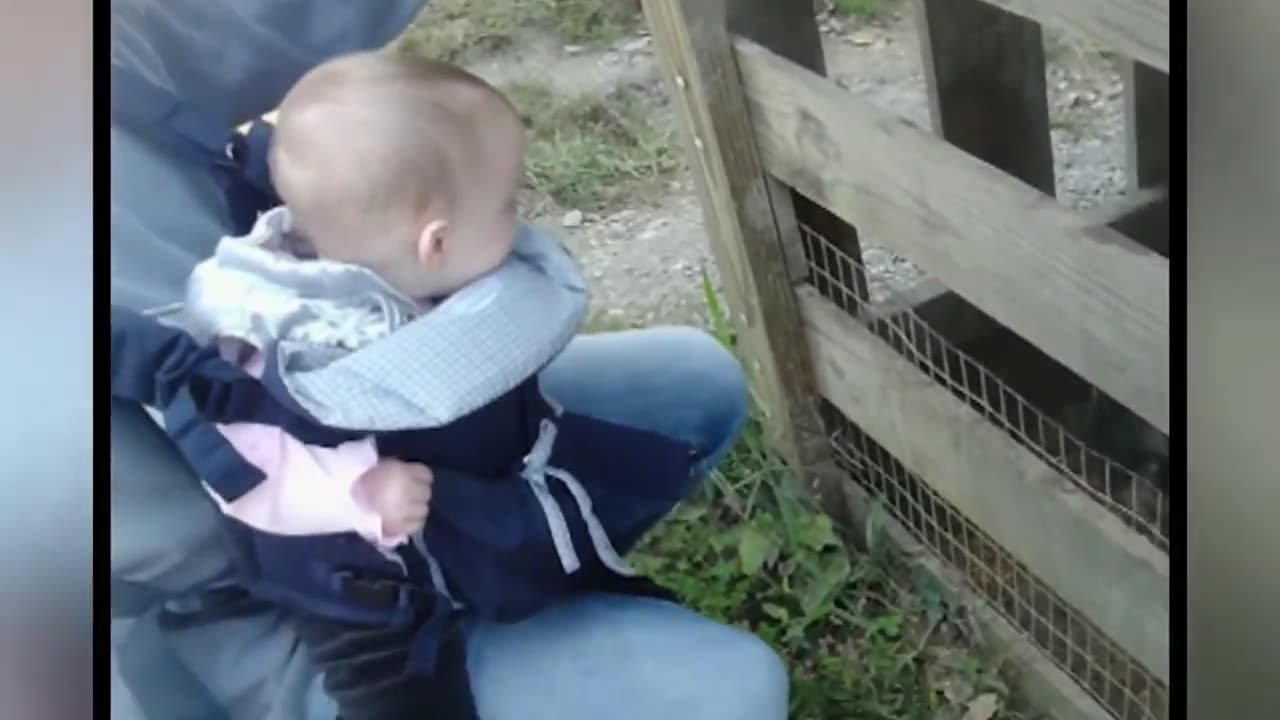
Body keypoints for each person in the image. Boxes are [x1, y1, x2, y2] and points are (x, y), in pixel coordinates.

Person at [109, 2, 790, 719]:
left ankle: (523, 584)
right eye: (508, 206)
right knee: (728, 689)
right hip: (309, 594)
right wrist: (353, 492)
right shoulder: (238, 356)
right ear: (434, 245)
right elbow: (249, 470)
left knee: (692, 386)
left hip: (416, 472)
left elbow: (264, 21)